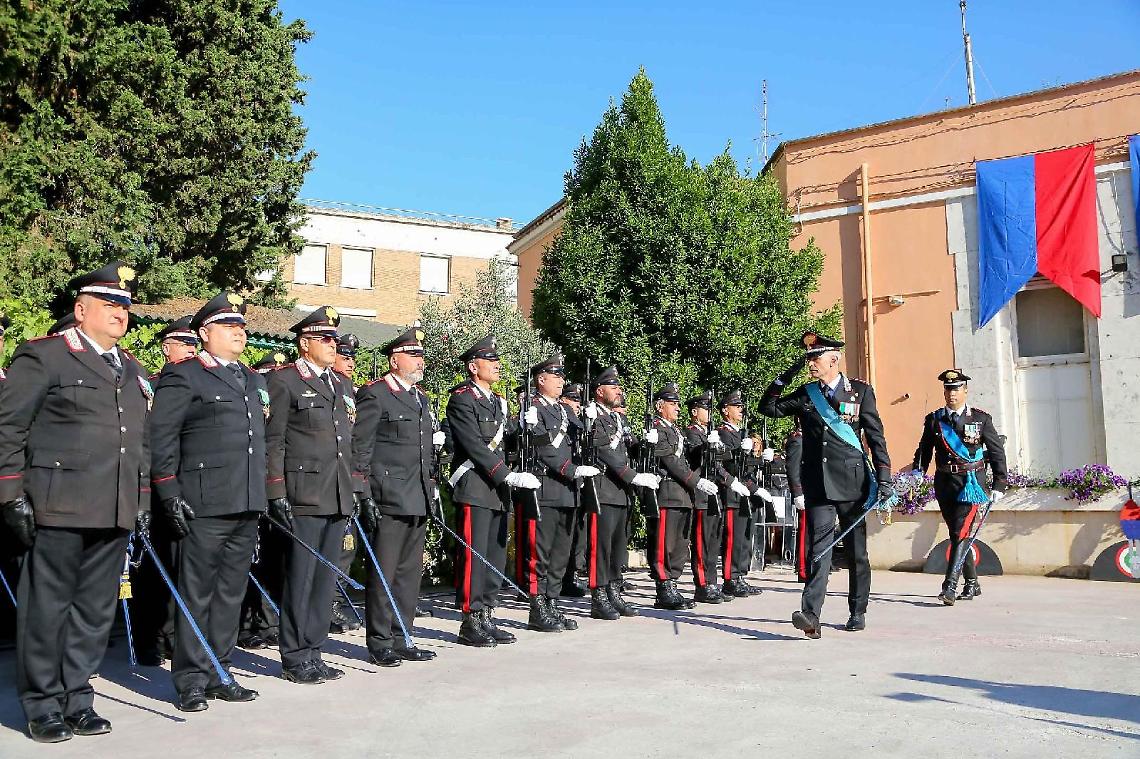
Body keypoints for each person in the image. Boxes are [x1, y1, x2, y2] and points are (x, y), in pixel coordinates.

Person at [0, 261, 150, 742]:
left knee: (94, 609)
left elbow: (139, 442)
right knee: (47, 608)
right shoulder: (44, 356)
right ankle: (42, 703)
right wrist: (9, 494)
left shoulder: (130, 369)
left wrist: (141, 499)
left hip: (112, 506)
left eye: (125, 306)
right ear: (80, 309)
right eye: (110, 304)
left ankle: (77, 697)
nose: (120, 313)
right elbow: (9, 428)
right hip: (57, 503)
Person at [149, 291, 268, 711]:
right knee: (197, 592)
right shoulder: (186, 376)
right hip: (203, 503)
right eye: (229, 326)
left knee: (230, 594)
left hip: (246, 501)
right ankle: (191, 679)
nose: (240, 332)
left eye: (242, 326)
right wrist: (168, 492)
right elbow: (161, 439)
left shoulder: (253, 379)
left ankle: (221, 669)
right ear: (204, 333)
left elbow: (258, 444)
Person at [760, 331, 893, 638]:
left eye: (815, 358)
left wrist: (884, 478)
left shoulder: (859, 392)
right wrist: (784, 377)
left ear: (834, 359)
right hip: (818, 485)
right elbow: (769, 409)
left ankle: (857, 610)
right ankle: (810, 615)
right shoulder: (807, 393)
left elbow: (875, 437)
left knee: (857, 551)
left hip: (852, 483)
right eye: (808, 359)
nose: (811, 364)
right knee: (819, 549)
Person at [264, 306, 355, 684]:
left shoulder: (341, 384)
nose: (333, 345)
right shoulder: (284, 381)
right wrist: (276, 490)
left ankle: (315, 650)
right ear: (305, 344)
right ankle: (295, 655)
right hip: (303, 493)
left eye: (335, 339)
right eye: (326, 339)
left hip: (336, 492)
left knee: (324, 579)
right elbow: (275, 441)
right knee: (301, 578)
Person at [352, 325, 440, 665]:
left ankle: (403, 634)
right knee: (384, 572)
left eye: (421, 355)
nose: (420, 361)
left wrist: (430, 490)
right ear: (394, 360)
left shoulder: (422, 398)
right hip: (387, 496)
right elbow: (361, 448)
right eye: (413, 355)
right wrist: (364, 493)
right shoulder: (376, 394)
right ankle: (380, 640)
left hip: (416, 495)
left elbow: (424, 454)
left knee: (408, 573)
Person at [446, 334, 538, 646]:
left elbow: (506, 444)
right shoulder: (461, 399)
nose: (497, 366)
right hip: (475, 485)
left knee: (495, 555)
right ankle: (470, 618)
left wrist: (526, 428)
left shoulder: (499, 401)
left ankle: (487, 612)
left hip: (498, 490)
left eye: (498, 361)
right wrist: (505, 475)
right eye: (491, 361)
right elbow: (473, 444)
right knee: (474, 555)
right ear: (473, 367)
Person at [131, 315, 198, 666]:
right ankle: (147, 639)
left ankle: (173, 635)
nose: (190, 350)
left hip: (188, 485)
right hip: (156, 486)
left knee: (180, 568)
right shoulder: (152, 384)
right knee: (154, 569)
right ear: (166, 347)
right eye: (183, 344)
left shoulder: (198, 382)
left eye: (193, 344)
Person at [516, 355, 600, 632]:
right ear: (541, 379)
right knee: (540, 552)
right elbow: (543, 449)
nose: (562, 382)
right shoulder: (533, 408)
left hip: (568, 491)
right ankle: (537, 607)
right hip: (547, 488)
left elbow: (584, 442)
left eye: (562, 377)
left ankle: (552, 602)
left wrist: (591, 421)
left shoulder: (565, 412)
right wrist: (571, 470)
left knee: (561, 553)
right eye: (556, 377)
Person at [911, 369, 1007, 604]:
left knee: (960, 532)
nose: (951, 394)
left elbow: (996, 452)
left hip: (971, 483)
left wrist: (999, 484)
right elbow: (925, 450)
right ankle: (972, 583)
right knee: (957, 535)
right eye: (947, 389)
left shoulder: (980, 419)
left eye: (955, 389)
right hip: (945, 483)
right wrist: (917, 472)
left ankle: (950, 587)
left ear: (965, 391)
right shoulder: (935, 419)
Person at [583, 365, 659, 619]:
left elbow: (630, 450)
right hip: (604, 489)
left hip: (621, 492)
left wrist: (646, 444)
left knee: (617, 547)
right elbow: (605, 453)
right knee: (601, 546)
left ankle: (614, 590)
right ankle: (599, 596)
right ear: (599, 390)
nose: (618, 391)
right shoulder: (592, 417)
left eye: (618, 386)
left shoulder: (618, 418)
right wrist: (634, 477)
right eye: (613, 387)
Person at [646, 382, 719, 610]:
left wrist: (708, 446)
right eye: (672, 404)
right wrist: (697, 482)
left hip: (683, 495)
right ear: (660, 406)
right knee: (665, 544)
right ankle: (664, 588)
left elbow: (688, 458)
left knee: (679, 544)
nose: (677, 408)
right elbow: (672, 462)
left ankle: (673, 584)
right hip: (668, 492)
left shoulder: (675, 430)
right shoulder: (657, 429)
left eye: (678, 404)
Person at [715, 391, 766, 598]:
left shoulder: (741, 433)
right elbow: (726, 464)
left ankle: (740, 576)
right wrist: (740, 454)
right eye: (736, 407)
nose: (740, 410)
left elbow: (746, 469)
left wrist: (761, 460)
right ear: (725, 411)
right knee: (733, 538)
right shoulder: (722, 433)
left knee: (745, 537)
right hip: (731, 493)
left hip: (745, 492)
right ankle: (730, 578)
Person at [683, 392, 733, 604]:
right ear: (695, 412)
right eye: (705, 409)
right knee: (703, 542)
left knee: (713, 542)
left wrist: (731, 482)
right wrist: (708, 446)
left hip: (714, 493)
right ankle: (702, 585)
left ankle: (712, 582)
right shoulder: (692, 433)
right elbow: (695, 456)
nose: (709, 413)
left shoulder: (708, 433)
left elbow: (718, 465)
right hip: (701, 494)